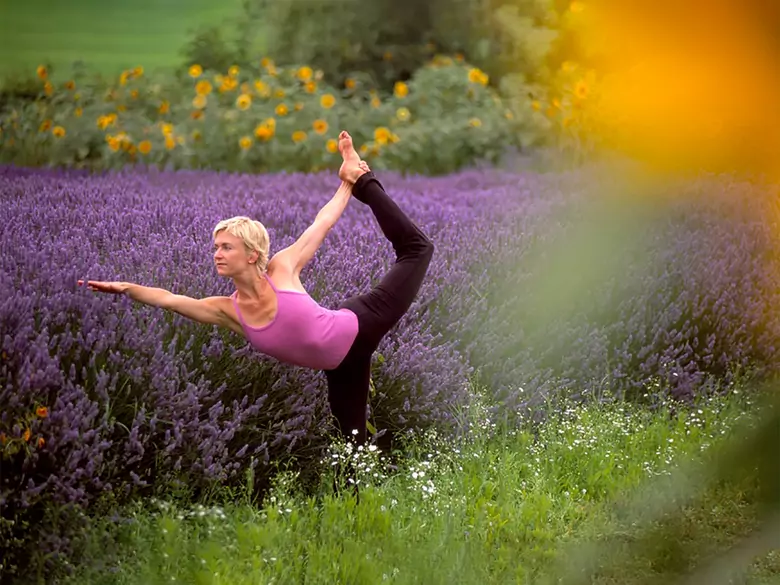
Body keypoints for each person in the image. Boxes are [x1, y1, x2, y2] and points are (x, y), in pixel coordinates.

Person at [79, 131, 434, 448]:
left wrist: (350, 183)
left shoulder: (281, 269)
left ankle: (365, 179)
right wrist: (126, 287)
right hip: (341, 366)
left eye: (226, 247)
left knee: (418, 249)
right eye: (216, 247)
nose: (217, 254)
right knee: (353, 443)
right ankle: (363, 506)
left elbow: (321, 224)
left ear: (252, 255)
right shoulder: (228, 310)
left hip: (362, 321)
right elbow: (172, 301)